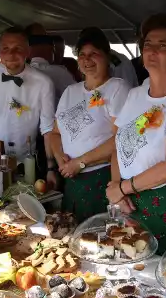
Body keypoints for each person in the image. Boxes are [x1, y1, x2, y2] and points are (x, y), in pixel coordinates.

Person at [106, 14, 166, 253]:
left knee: (160, 275)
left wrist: (122, 189)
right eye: (148, 44)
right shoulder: (135, 95)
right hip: (127, 199)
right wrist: (117, 190)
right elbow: (118, 147)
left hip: (164, 202)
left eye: (163, 45)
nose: (152, 50)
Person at [51, 28, 130, 221]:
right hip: (72, 178)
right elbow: (55, 133)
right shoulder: (71, 91)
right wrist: (60, 158)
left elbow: (120, 139)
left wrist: (81, 162)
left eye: (94, 54)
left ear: (107, 56)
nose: (87, 60)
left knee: (99, 237)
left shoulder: (117, 88)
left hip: (101, 177)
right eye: (82, 55)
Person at [0, 26, 56, 182]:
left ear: (28, 51)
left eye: (18, 48)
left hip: (23, 161)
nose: (11, 54)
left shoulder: (43, 82)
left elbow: (48, 128)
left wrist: (50, 167)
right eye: (5, 49)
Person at [29, 34, 76, 102]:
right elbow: (75, 95)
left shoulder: (19, 72)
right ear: (50, 49)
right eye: (54, 49)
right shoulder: (60, 73)